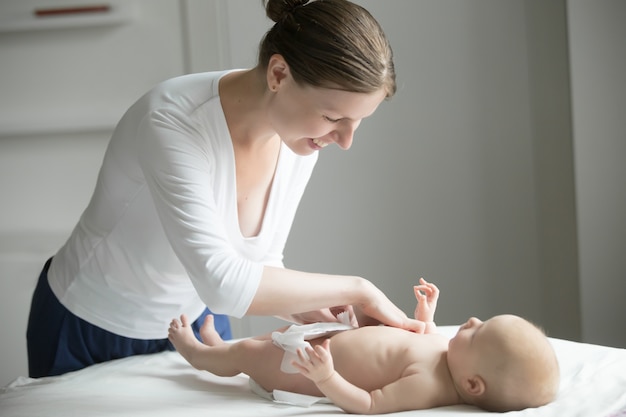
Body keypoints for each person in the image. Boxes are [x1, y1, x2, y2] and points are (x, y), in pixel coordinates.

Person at [26, 0, 425, 378]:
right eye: (333, 117)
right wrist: (358, 289)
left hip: (193, 325)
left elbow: (260, 262)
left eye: (357, 122)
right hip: (90, 327)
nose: (345, 140)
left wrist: (317, 312)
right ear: (279, 74)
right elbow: (223, 283)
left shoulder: (299, 140)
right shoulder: (171, 122)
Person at [168, 278, 560, 414]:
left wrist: (328, 377)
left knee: (249, 357)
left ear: (472, 385)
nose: (471, 322)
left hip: (307, 369)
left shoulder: (429, 384)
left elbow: (369, 405)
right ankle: (220, 345)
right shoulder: (447, 352)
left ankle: (199, 355)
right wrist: (426, 313)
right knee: (262, 341)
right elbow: (419, 335)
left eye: (479, 332)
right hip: (330, 338)